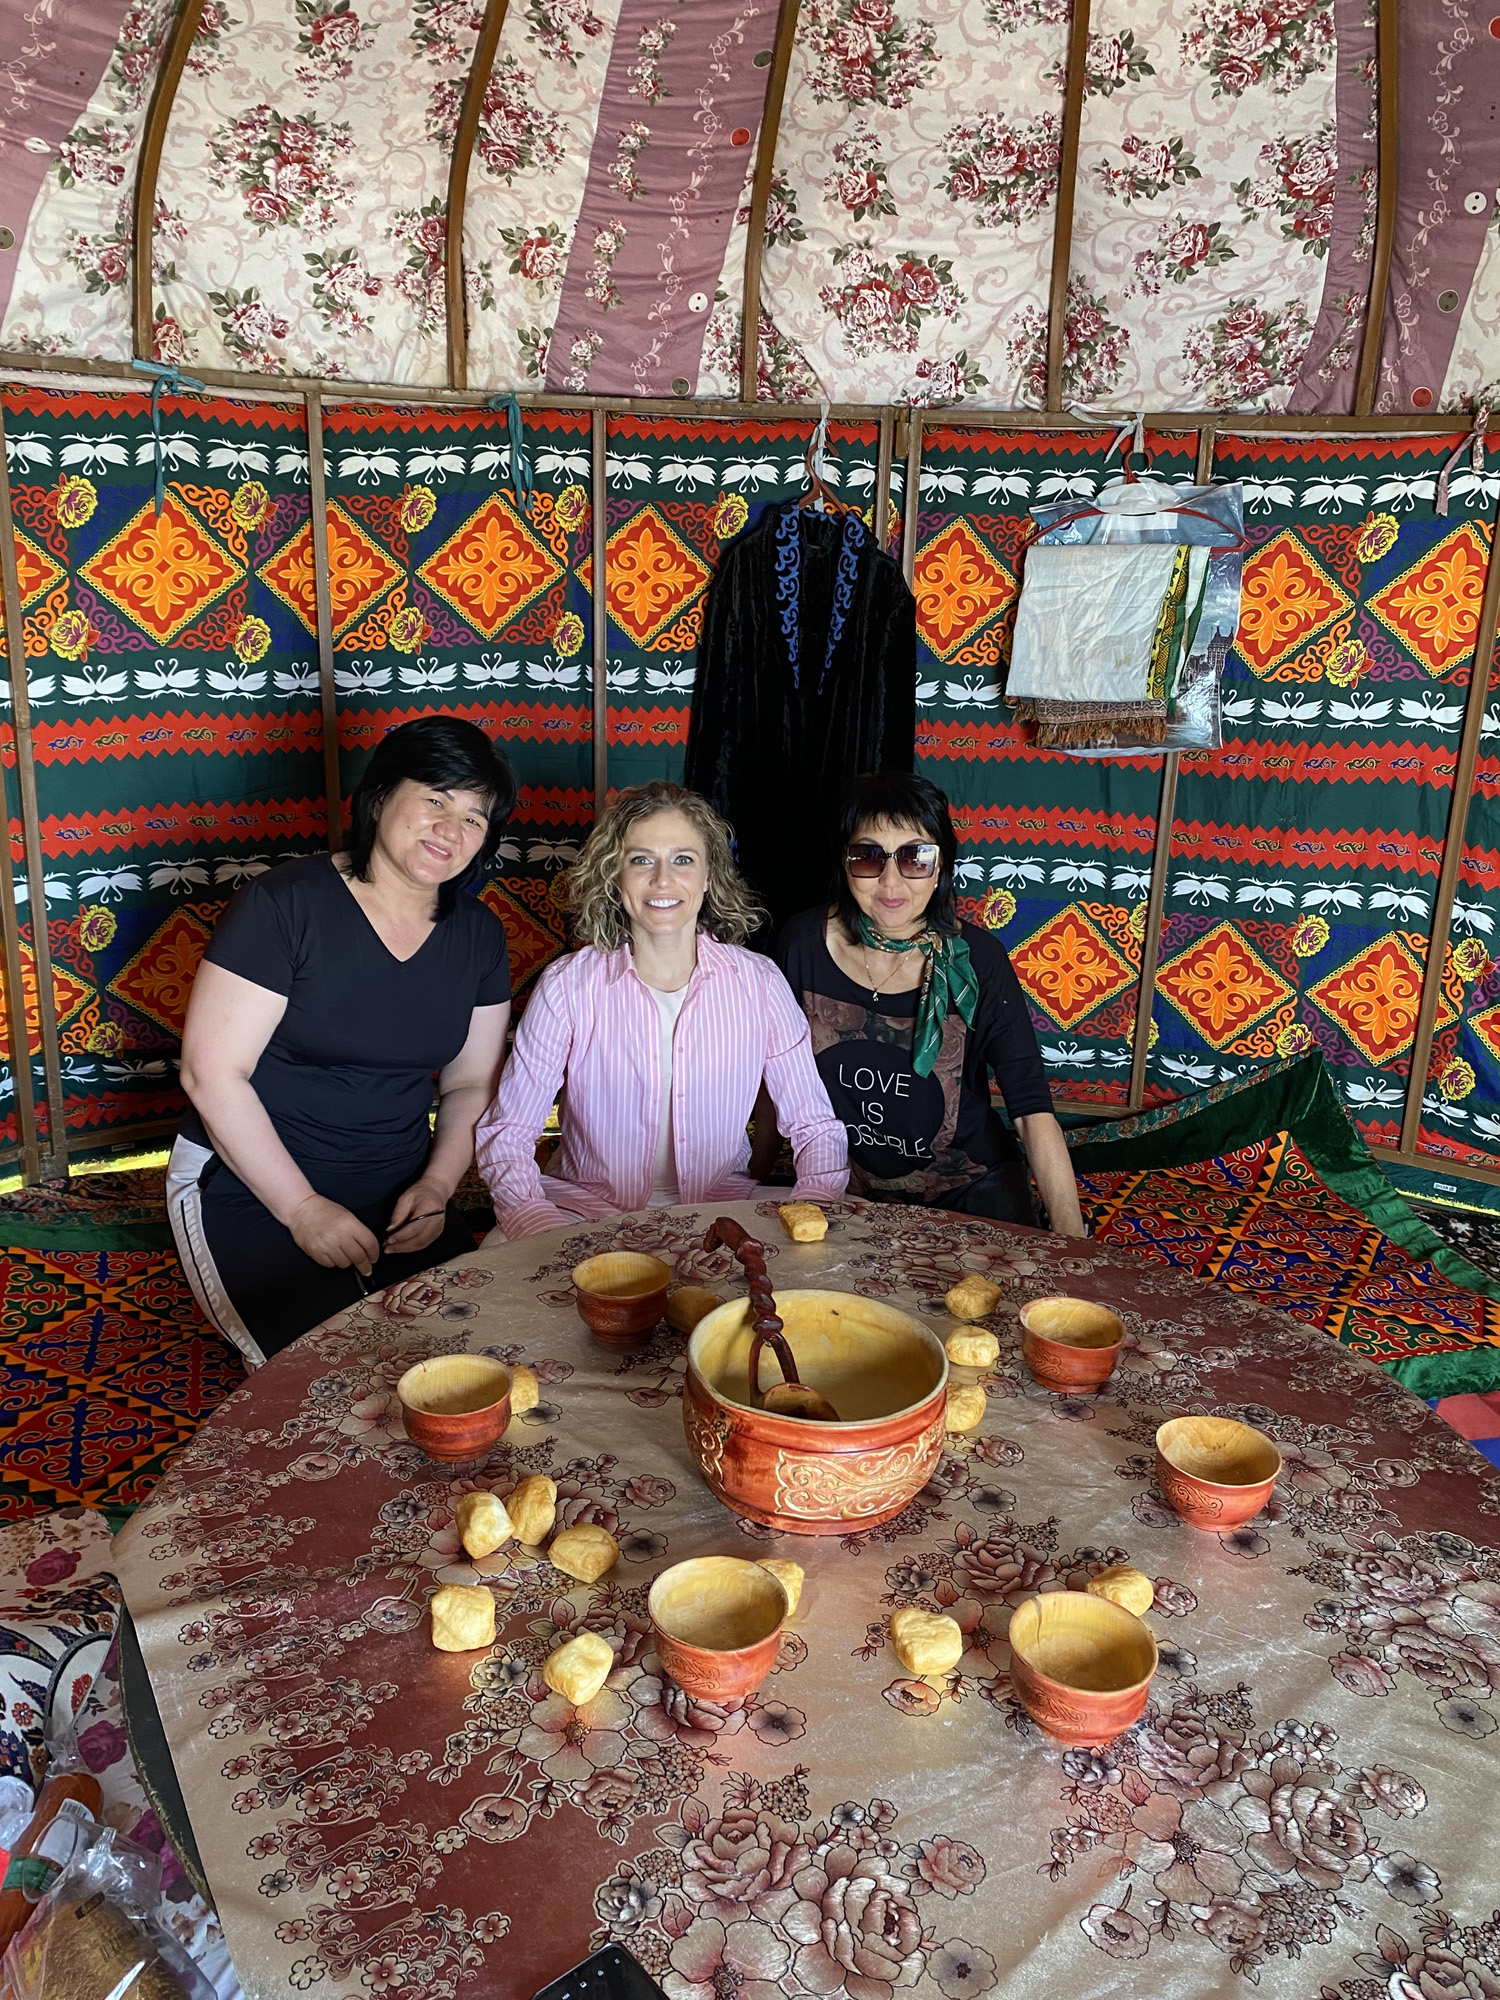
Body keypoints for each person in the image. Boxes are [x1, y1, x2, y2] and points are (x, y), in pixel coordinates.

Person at [167, 716, 517, 1364]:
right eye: (436, 800)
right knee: (326, 1375)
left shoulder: (480, 934)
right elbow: (210, 1074)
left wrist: (437, 1187)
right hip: (255, 1180)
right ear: (379, 796)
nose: (452, 828)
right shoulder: (284, 905)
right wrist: (302, 1209)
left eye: (474, 816)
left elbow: (471, 1083)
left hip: (399, 1182)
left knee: (468, 1358)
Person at [477, 781, 847, 1238]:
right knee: (502, 1254)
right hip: (583, 1211)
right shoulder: (567, 986)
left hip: (723, 1210)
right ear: (615, 875)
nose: (662, 880)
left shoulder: (760, 983)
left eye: (683, 859)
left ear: (709, 876)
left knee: (838, 1245)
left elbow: (815, 1126)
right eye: (641, 860)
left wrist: (812, 1209)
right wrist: (542, 1228)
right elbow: (508, 1132)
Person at [759, 770, 1086, 1234]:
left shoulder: (978, 961)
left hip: (969, 1184)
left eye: (916, 858)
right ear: (844, 862)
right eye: (868, 856)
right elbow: (774, 1080)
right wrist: (749, 1182)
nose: (891, 882)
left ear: (942, 866)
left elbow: (1031, 1110)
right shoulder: (802, 945)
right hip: (845, 1185)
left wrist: (1071, 1237)